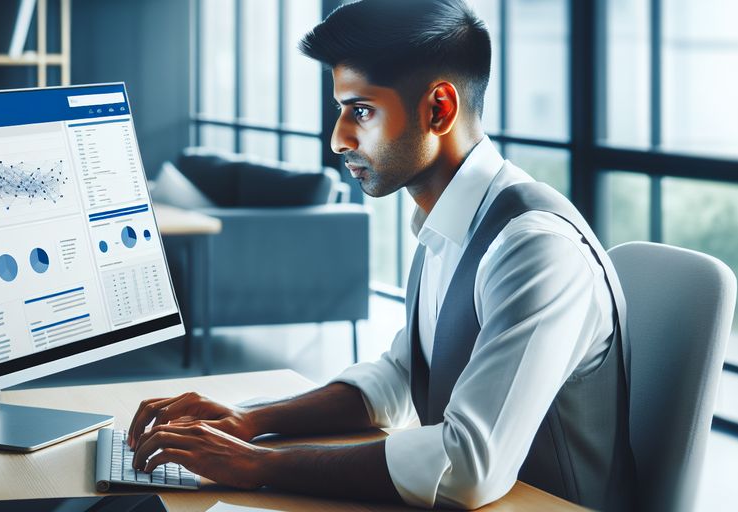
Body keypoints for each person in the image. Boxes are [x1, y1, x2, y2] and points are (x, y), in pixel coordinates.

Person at [127, 0, 636, 509]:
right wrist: (249, 420)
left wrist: (258, 465)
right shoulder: (451, 224)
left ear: (439, 109)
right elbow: (399, 379)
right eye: (340, 110)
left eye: (361, 111)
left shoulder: (533, 249)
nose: (337, 138)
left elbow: (468, 466)